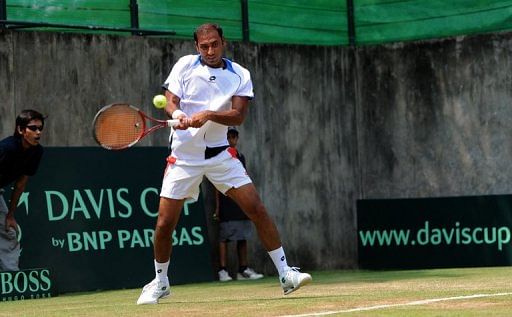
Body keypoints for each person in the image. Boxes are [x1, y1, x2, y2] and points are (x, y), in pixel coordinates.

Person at [137, 23, 311, 305]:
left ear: (223, 42)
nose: (210, 50)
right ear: (196, 46)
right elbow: (169, 100)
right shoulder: (184, 65)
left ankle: (285, 274)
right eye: (204, 46)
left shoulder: (240, 74)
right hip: (184, 158)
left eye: (214, 44)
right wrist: (179, 113)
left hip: (220, 156)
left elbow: (238, 115)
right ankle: (160, 281)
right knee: (164, 223)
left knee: (257, 209)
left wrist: (208, 114)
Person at [215, 127, 263, 282]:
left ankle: (243, 270)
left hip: (241, 203)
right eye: (229, 137)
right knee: (224, 238)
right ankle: (222, 271)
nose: (232, 140)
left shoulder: (240, 156)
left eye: (234, 136)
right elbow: (216, 186)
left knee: (243, 236)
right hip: (226, 203)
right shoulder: (218, 156)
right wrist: (217, 207)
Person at [0, 109, 45, 271]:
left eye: (40, 128)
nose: (38, 132)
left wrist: (10, 215)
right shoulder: (6, 148)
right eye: (33, 128)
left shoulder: (36, 152)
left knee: (8, 233)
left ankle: (12, 280)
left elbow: (20, 184)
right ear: (20, 130)